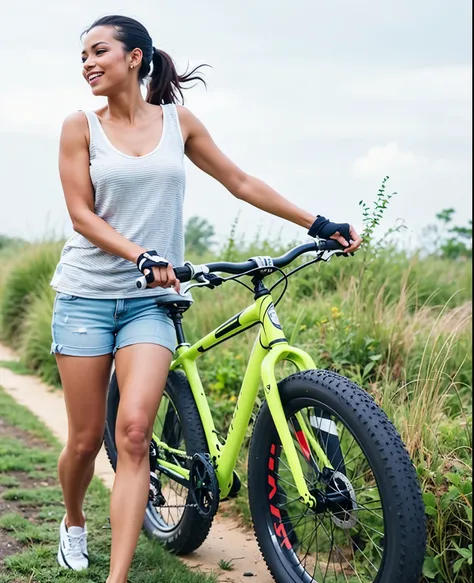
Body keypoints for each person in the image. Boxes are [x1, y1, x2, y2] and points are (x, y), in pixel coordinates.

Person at [50, 13, 362, 583]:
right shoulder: (80, 127)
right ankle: (73, 518)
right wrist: (140, 253)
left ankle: (116, 579)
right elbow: (81, 215)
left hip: (151, 301)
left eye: (99, 51)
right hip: (87, 295)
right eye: (83, 57)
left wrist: (317, 221)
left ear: (135, 57)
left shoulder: (179, 123)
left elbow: (240, 182)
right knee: (85, 438)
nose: (88, 63)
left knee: (135, 431)